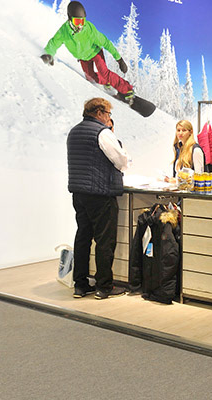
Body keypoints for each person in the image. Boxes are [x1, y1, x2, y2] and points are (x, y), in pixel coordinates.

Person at [67, 97, 130, 299]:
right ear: (100, 112)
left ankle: (80, 285)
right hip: (100, 193)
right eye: (108, 114)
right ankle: (104, 286)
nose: (108, 117)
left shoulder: (74, 131)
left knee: (83, 237)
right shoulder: (102, 133)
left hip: (79, 193)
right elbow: (121, 160)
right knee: (105, 240)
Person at [41, 2, 135, 103]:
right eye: (77, 21)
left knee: (104, 72)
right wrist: (49, 54)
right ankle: (106, 82)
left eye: (82, 21)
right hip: (83, 58)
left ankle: (127, 89)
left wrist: (119, 60)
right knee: (90, 77)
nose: (80, 25)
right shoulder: (64, 32)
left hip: (95, 52)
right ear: (70, 18)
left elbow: (106, 43)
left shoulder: (89, 30)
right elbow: (54, 42)